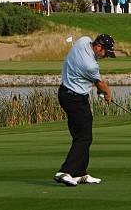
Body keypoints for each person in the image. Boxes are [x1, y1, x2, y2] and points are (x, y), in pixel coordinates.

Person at [54, 34, 115, 187]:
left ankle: (80, 173)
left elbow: (93, 81)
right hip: (76, 100)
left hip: (65, 94)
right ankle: (65, 171)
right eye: (105, 52)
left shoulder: (83, 41)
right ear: (98, 47)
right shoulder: (90, 65)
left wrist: (99, 89)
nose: (105, 56)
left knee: (80, 135)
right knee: (84, 138)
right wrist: (107, 94)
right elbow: (100, 83)